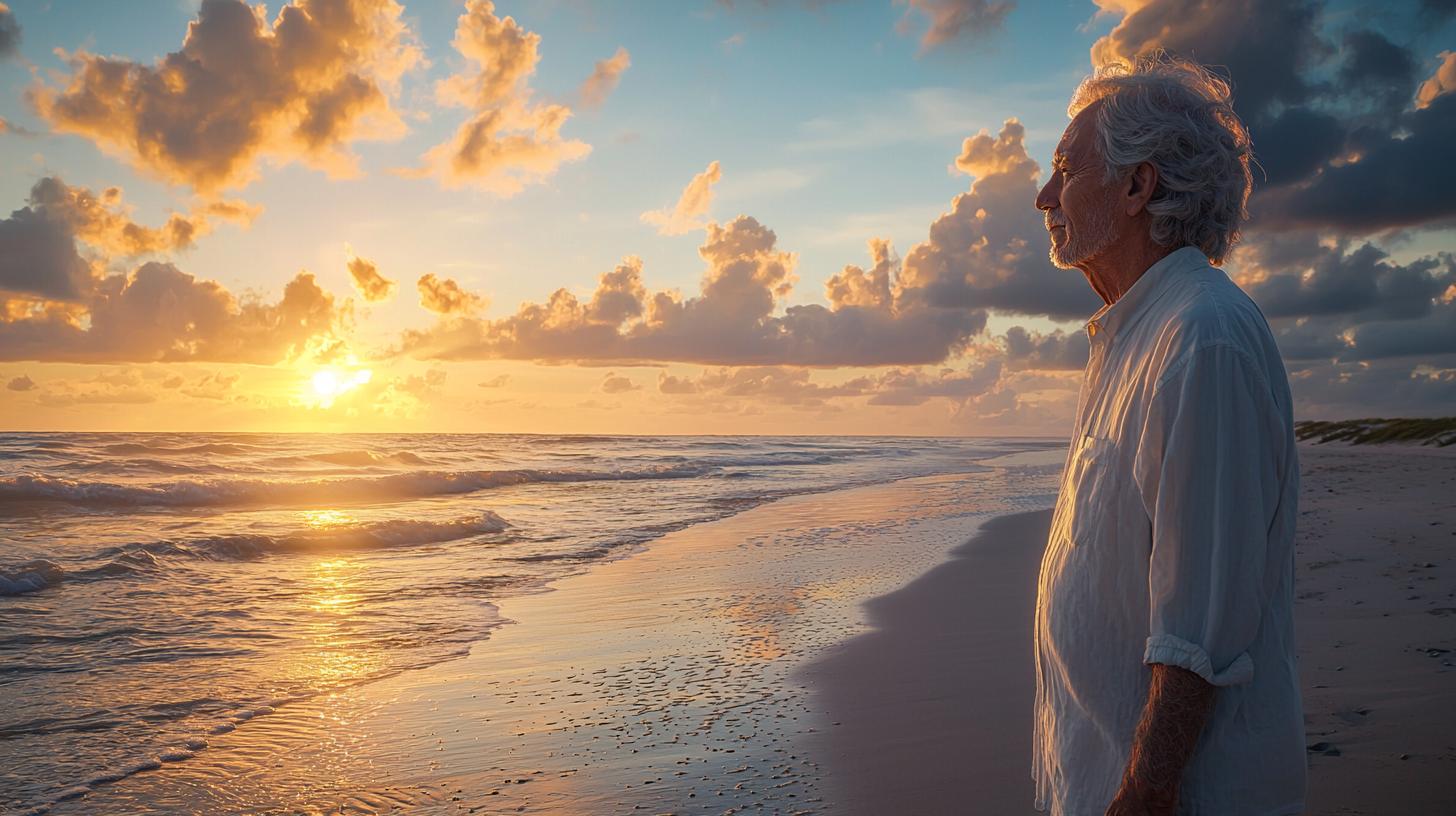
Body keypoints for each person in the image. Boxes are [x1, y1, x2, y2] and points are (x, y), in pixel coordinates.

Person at [1030, 53, 1306, 816]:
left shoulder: (1201, 340)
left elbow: (1201, 626)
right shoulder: (1139, 335)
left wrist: (1146, 788)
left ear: (1135, 186)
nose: (1043, 196)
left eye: (1064, 169)